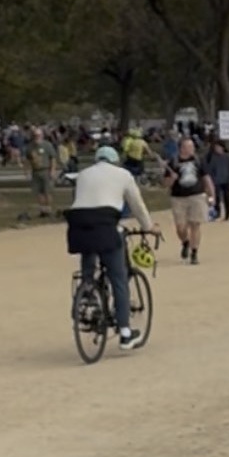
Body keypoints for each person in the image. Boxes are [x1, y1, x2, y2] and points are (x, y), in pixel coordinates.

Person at [65, 146, 161, 350]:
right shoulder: (123, 175)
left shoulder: (83, 174)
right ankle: (125, 333)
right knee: (118, 277)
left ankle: (87, 294)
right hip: (106, 226)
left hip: (79, 227)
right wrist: (149, 227)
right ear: (115, 161)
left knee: (88, 263)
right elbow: (137, 205)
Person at [165, 136, 214, 264]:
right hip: (178, 198)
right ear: (181, 148)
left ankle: (194, 252)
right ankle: (185, 241)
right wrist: (172, 178)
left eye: (192, 146)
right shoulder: (173, 162)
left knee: (195, 225)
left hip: (196, 196)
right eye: (188, 146)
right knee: (181, 227)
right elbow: (166, 183)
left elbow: (206, 178)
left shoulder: (199, 160)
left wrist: (211, 195)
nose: (191, 149)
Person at [24, 126, 58, 219]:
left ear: (42, 135)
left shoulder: (47, 145)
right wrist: (26, 171)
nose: (37, 137)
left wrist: (53, 170)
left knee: (47, 191)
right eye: (35, 135)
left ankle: (49, 209)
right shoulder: (30, 147)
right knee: (38, 192)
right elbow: (27, 160)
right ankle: (42, 210)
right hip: (35, 172)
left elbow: (53, 158)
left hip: (46, 170)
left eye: (39, 135)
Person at [206, 140, 229, 221]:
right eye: (216, 147)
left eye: (218, 147)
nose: (217, 149)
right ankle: (216, 213)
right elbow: (210, 169)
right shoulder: (212, 158)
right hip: (216, 181)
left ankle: (227, 214)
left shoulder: (228, 157)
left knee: (227, 198)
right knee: (216, 198)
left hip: (226, 180)